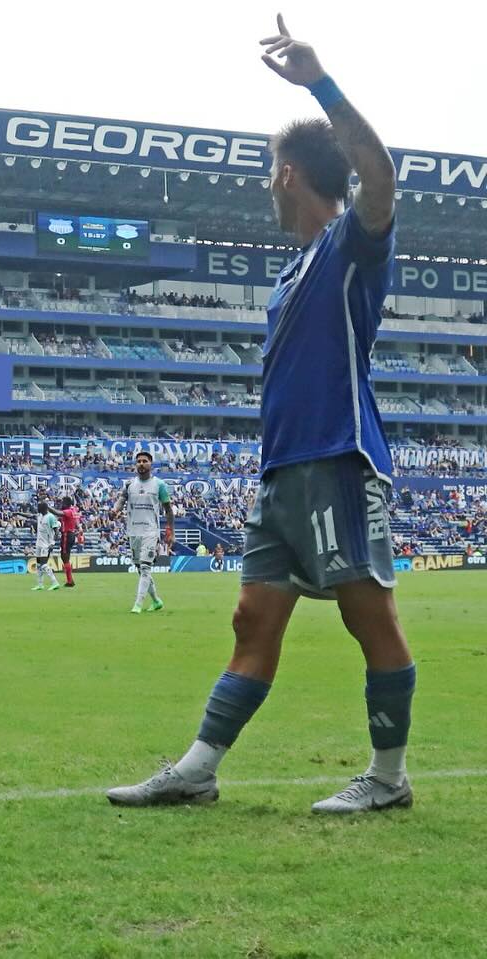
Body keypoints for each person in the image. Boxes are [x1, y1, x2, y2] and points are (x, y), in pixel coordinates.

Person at [109, 17, 413, 815]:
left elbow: (379, 181)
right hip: (281, 472)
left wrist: (320, 85)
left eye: (268, 171)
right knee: (252, 617)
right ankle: (198, 768)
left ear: (287, 174)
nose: (264, 183)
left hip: (338, 457)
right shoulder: (289, 274)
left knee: (366, 612)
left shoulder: (350, 246)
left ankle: (388, 778)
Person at [109, 452, 174, 613]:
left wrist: (170, 530)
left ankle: (138, 604)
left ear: (151, 464)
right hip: (133, 531)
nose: (141, 463)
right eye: (138, 461)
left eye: (145, 461)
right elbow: (122, 499)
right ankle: (157, 601)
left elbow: (168, 509)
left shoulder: (159, 485)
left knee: (145, 568)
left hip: (150, 531)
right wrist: (115, 510)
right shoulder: (130, 484)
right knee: (140, 568)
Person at [42, 495, 81, 587]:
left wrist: (46, 506)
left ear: (66, 503)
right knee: (65, 557)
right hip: (70, 534)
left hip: (67, 535)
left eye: (62, 502)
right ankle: (70, 580)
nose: (61, 504)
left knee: (65, 557)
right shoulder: (73, 510)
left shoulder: (68, 511)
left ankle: (70, 581)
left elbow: (58, 512)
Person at [29, 500, 61, 592]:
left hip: (46, 545)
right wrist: (18, 513)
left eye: (39, 507)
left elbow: (56, 531)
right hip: (39, 544)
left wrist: (53, 543)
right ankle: (40, 585)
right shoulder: (40, 515)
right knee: (39, 565)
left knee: (43, 565)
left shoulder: (50, 517)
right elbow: (30, 516)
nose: (37, 509)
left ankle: (55, 583)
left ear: (43, 508)